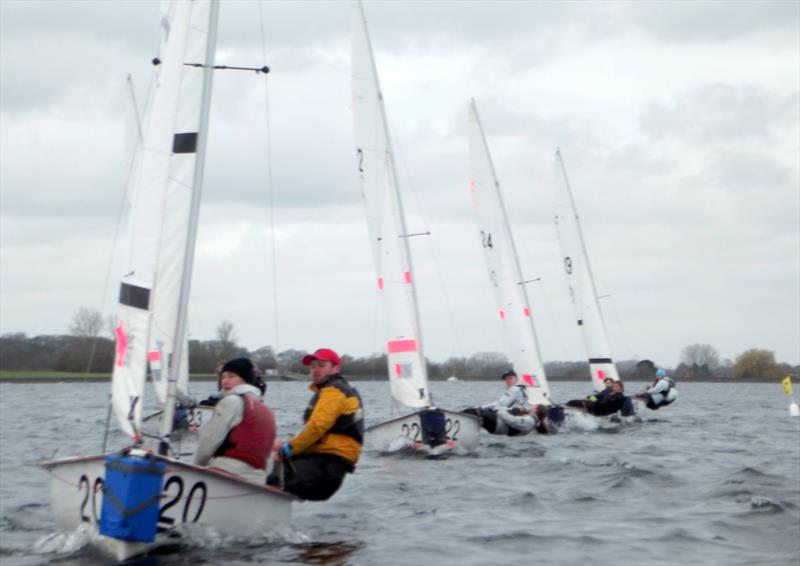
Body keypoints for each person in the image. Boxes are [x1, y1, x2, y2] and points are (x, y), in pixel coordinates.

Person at [267, 348, 363, 501]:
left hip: (325, 468)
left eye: (322, 365)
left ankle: (255, 504)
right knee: (276, 460)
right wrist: (287, 445)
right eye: (313, 367)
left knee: (271, 471)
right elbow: (320, 434)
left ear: (336, 368)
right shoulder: (332, 390)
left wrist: (288, 449)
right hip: (325, 467)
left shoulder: (334, 391)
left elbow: (317, 427)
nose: (316, 370)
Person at [194, 357, 275, 483]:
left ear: (245, 380)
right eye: (223, 377)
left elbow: (208, 443)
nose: (225, 381)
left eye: (231, 376)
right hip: (257, 480)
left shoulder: (231, 402)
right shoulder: (267, 411)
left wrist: (196, 468)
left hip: (227, 473)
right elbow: (268, 460)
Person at [463, 370, 549, 435]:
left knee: (471, 412)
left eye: (510, 378)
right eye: (506, 379)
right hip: (506, 422)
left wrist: (480, 408)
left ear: (516, 379)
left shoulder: (515, 389)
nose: (508, 380)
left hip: (501, 418)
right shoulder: (522, 390)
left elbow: (500, 405)